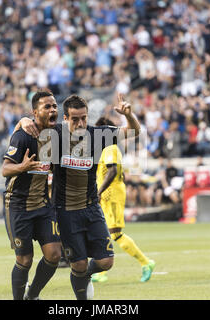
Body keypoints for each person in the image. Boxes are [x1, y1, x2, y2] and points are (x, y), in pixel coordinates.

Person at [17, 93, 141, 300]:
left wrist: (129, 115)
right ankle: (37, 295)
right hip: (64, 212)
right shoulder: (55, 134)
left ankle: (85, 276)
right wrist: (23, 120)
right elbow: (25, 128)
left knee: (106, 262)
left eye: (84, 118)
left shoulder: (98, 135)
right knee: (79, 264)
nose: (81, 123)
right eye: (75, 119)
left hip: (91, 207)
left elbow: (134, 131)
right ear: (65, 119)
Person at [2, 90, 61, 300]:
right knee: (25, 260)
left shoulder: (57, 136)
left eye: (54, 106)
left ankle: (32, 295)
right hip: (17, 206)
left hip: (43, 206)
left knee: (54, 254)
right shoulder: (22, 136)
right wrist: (23, 166)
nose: (53, 109)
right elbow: (5, 170)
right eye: (47, 106)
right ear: (35, 112)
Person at [92, 116, 155, 283]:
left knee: (115, 234)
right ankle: (101, 271)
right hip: (109, 193)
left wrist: (99, 191)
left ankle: (146, 263)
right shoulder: (107, 148)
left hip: (111, 194)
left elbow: (112, 172)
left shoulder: (110, 147)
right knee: (103, 232)